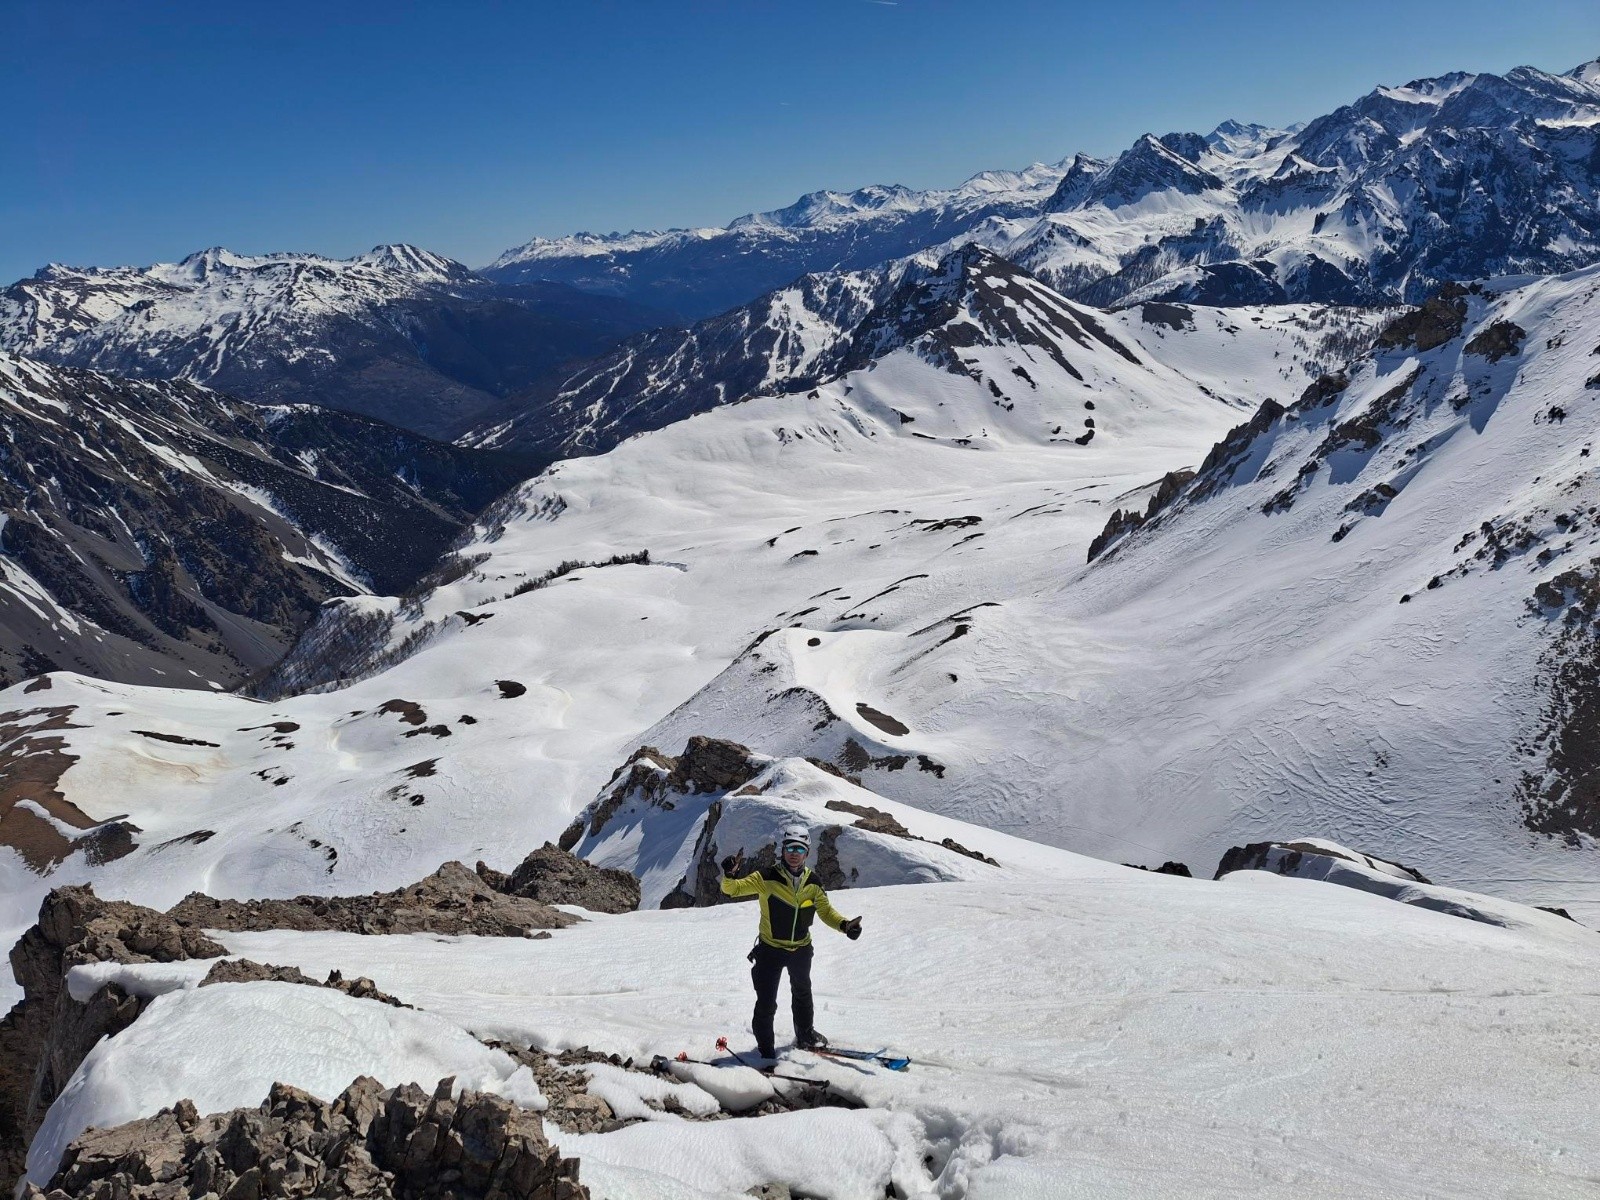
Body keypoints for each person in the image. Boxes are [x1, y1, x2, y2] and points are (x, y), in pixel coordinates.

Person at [721, 822, 862, 1059]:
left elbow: (825, 911)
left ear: (806, 852)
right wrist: (729, 875)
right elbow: (732, 890)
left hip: (801, 949)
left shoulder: (813, 883)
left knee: (802, 992)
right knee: (766, 1004)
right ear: (782, 850)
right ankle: (766, 1051)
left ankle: (805, 1035)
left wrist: (844, 926)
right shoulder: (766, 877)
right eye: (790, 848)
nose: (794, 854)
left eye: (799, 849)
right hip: (770, 950)